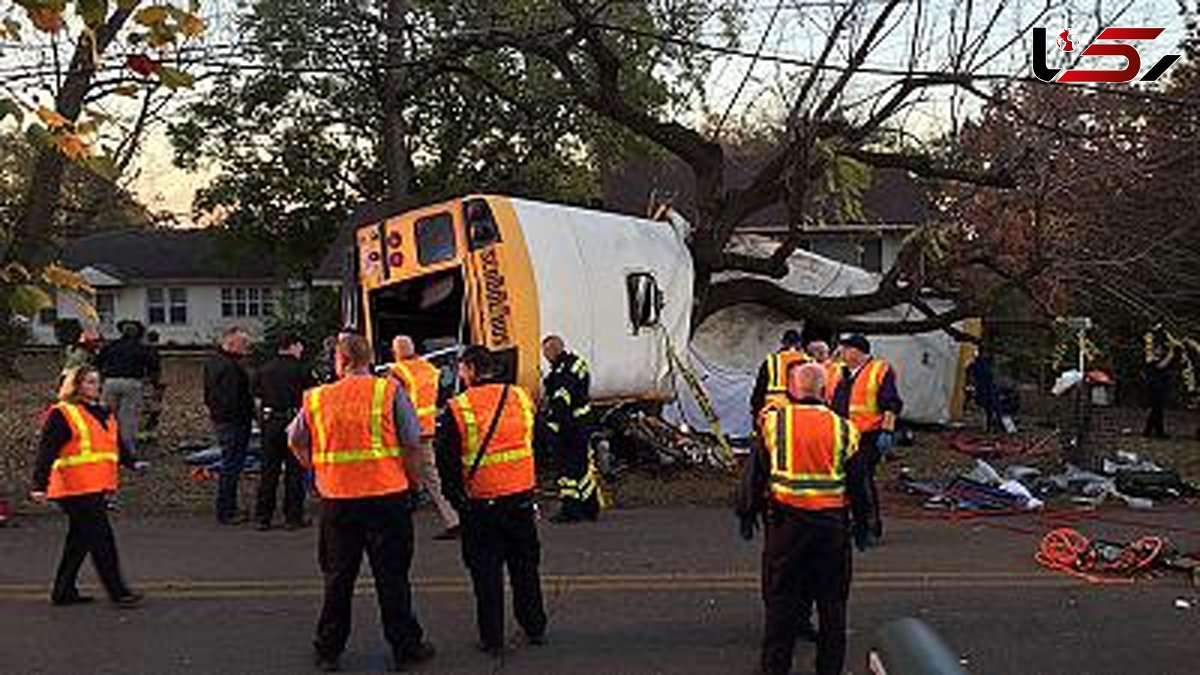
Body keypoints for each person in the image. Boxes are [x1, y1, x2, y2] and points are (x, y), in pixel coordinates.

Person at [287, 333, 435, 672]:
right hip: (387, 497)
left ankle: (329, 650)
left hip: (338, 500)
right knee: (392, 577)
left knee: (338, 578)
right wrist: (413, 482)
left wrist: (318, 468)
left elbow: (294, 440)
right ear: (369, 358)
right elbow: (412, 443)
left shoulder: (317, 398)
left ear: (340, 361)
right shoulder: (389, 391)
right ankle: (405, 647)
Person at [736, 362, 866, 675]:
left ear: (792, 390)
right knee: (832, 605)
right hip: (831, 528)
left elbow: (755, 474)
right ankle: (829, 669)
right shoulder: (844, 429)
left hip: (786, 527)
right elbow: (859, 484)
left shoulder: (773, 424)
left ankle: (775, 668)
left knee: (781, 604)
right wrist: (864, 523)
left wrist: (746, 511)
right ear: (825, 391)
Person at [436, 346, 547, 656]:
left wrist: (455, 498)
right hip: (521, 498)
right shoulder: (522, 397)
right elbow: (538, 440)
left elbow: (445, 460)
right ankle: (534, 626)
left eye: (461, 369)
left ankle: (493, 638)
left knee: (486, 574)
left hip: (480, 503)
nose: (460, 375)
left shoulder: (459, 408)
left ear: (471, 368)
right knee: (525, 566)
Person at [30, 366, 143, 608]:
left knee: (79, 540)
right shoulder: (63, 413)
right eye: (89, 382)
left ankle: (63, 591)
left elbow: (115, 445)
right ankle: (118, 591)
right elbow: (46, 450)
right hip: (73, 488)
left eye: (97, 382)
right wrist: (39, 485)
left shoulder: (103, 412)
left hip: (94, 485)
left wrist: (132, 462)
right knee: (101, 538)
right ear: (76, 385)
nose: (96, 386)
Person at [831, 334, 902, 547]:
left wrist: (887, 431)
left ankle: (870, 526)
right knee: (846, 482)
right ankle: (854, 522)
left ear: (858, 352)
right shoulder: (839, 372)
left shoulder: (879, 370)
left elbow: (892, 403)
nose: (842, 353)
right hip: (842, 437)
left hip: (867, 436)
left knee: (862, 480)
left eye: (846, 349)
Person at [389, 335, 460, 540]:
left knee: (416, 475)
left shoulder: (397, 372)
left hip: (405, 431)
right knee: (428, 473)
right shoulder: (429, 369)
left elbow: (391, 402)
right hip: (427, 428)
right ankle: (449, 516)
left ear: (396, 352)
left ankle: (452, 518)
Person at [252, 333, 311, 530]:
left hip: (271, 422)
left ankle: (263, 517)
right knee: (294, 471)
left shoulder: (263, 370)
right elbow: (310, 398)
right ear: (293, 346)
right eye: (300, 346)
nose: (301, 351)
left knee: (269, 471)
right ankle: (293, 517)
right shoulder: (301, 370)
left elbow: (257, 400)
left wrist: (262, 422)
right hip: (294, 422)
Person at [540, 335, 598, 523]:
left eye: (546, 352)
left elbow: (561, 399)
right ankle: (589, 507)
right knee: (581, 469)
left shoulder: (566, 369)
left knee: (568, 470)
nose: (546, 356)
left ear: (552, 350)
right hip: (579, 423)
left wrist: (551, 423)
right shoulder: (569, 365)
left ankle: (571, 510)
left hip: (572, 426)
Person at [204, 326, 255, 525]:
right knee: (232, 466)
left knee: (229, 464)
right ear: (231, 343)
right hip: (234, 421)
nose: (246, 348)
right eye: (244, 344)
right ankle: (227, 510)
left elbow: (210, 394)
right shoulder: (231, 367)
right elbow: (233, 398)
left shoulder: (214, 363)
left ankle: (227, 508)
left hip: (222, 419)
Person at [96, 320, 155, 458]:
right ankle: (127, 451)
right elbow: (153, 365)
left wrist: (101, 378)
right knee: (128, 419)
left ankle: (104, 447)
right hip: (132, 383)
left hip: (110, 382)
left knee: (106, 416)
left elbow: (97, 362)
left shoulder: (111, 346)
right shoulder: (141, 347)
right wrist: (153, 383)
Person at [751, 329, 810, 422]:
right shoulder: (808, 361)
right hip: (800, 412)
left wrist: (756, 413)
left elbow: (759, 390)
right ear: (799, 344)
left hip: (775, 412)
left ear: (783, 342)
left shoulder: (772, 361)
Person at [139, 330, 165, 446]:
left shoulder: (143, 350)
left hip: (144, 382)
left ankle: (144, 433)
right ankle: (149, 433)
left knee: (146, 409)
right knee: (153, 409)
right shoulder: (153, 352)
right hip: (150, 383)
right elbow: (156, 369)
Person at [1143, 343, 1175, 439]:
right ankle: (1155, 432)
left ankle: (1151, 431)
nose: (1160, 351)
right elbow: (1161, 366)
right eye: (1158, 349)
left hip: (1160, 387)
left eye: (1160, 349)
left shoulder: (1156, 358)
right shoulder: (1151, 359)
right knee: (1156, 410)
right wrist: (1170, 355)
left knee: (1157, 410)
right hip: (1154, 387)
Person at [966, 348, 999, 432]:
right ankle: (986, 426)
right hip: (984, 387)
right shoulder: (981, 364)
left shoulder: (986, 363)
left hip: (987, 388)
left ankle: (987, 426)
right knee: (985, 407)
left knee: (987, 407)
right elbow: (970, 373)